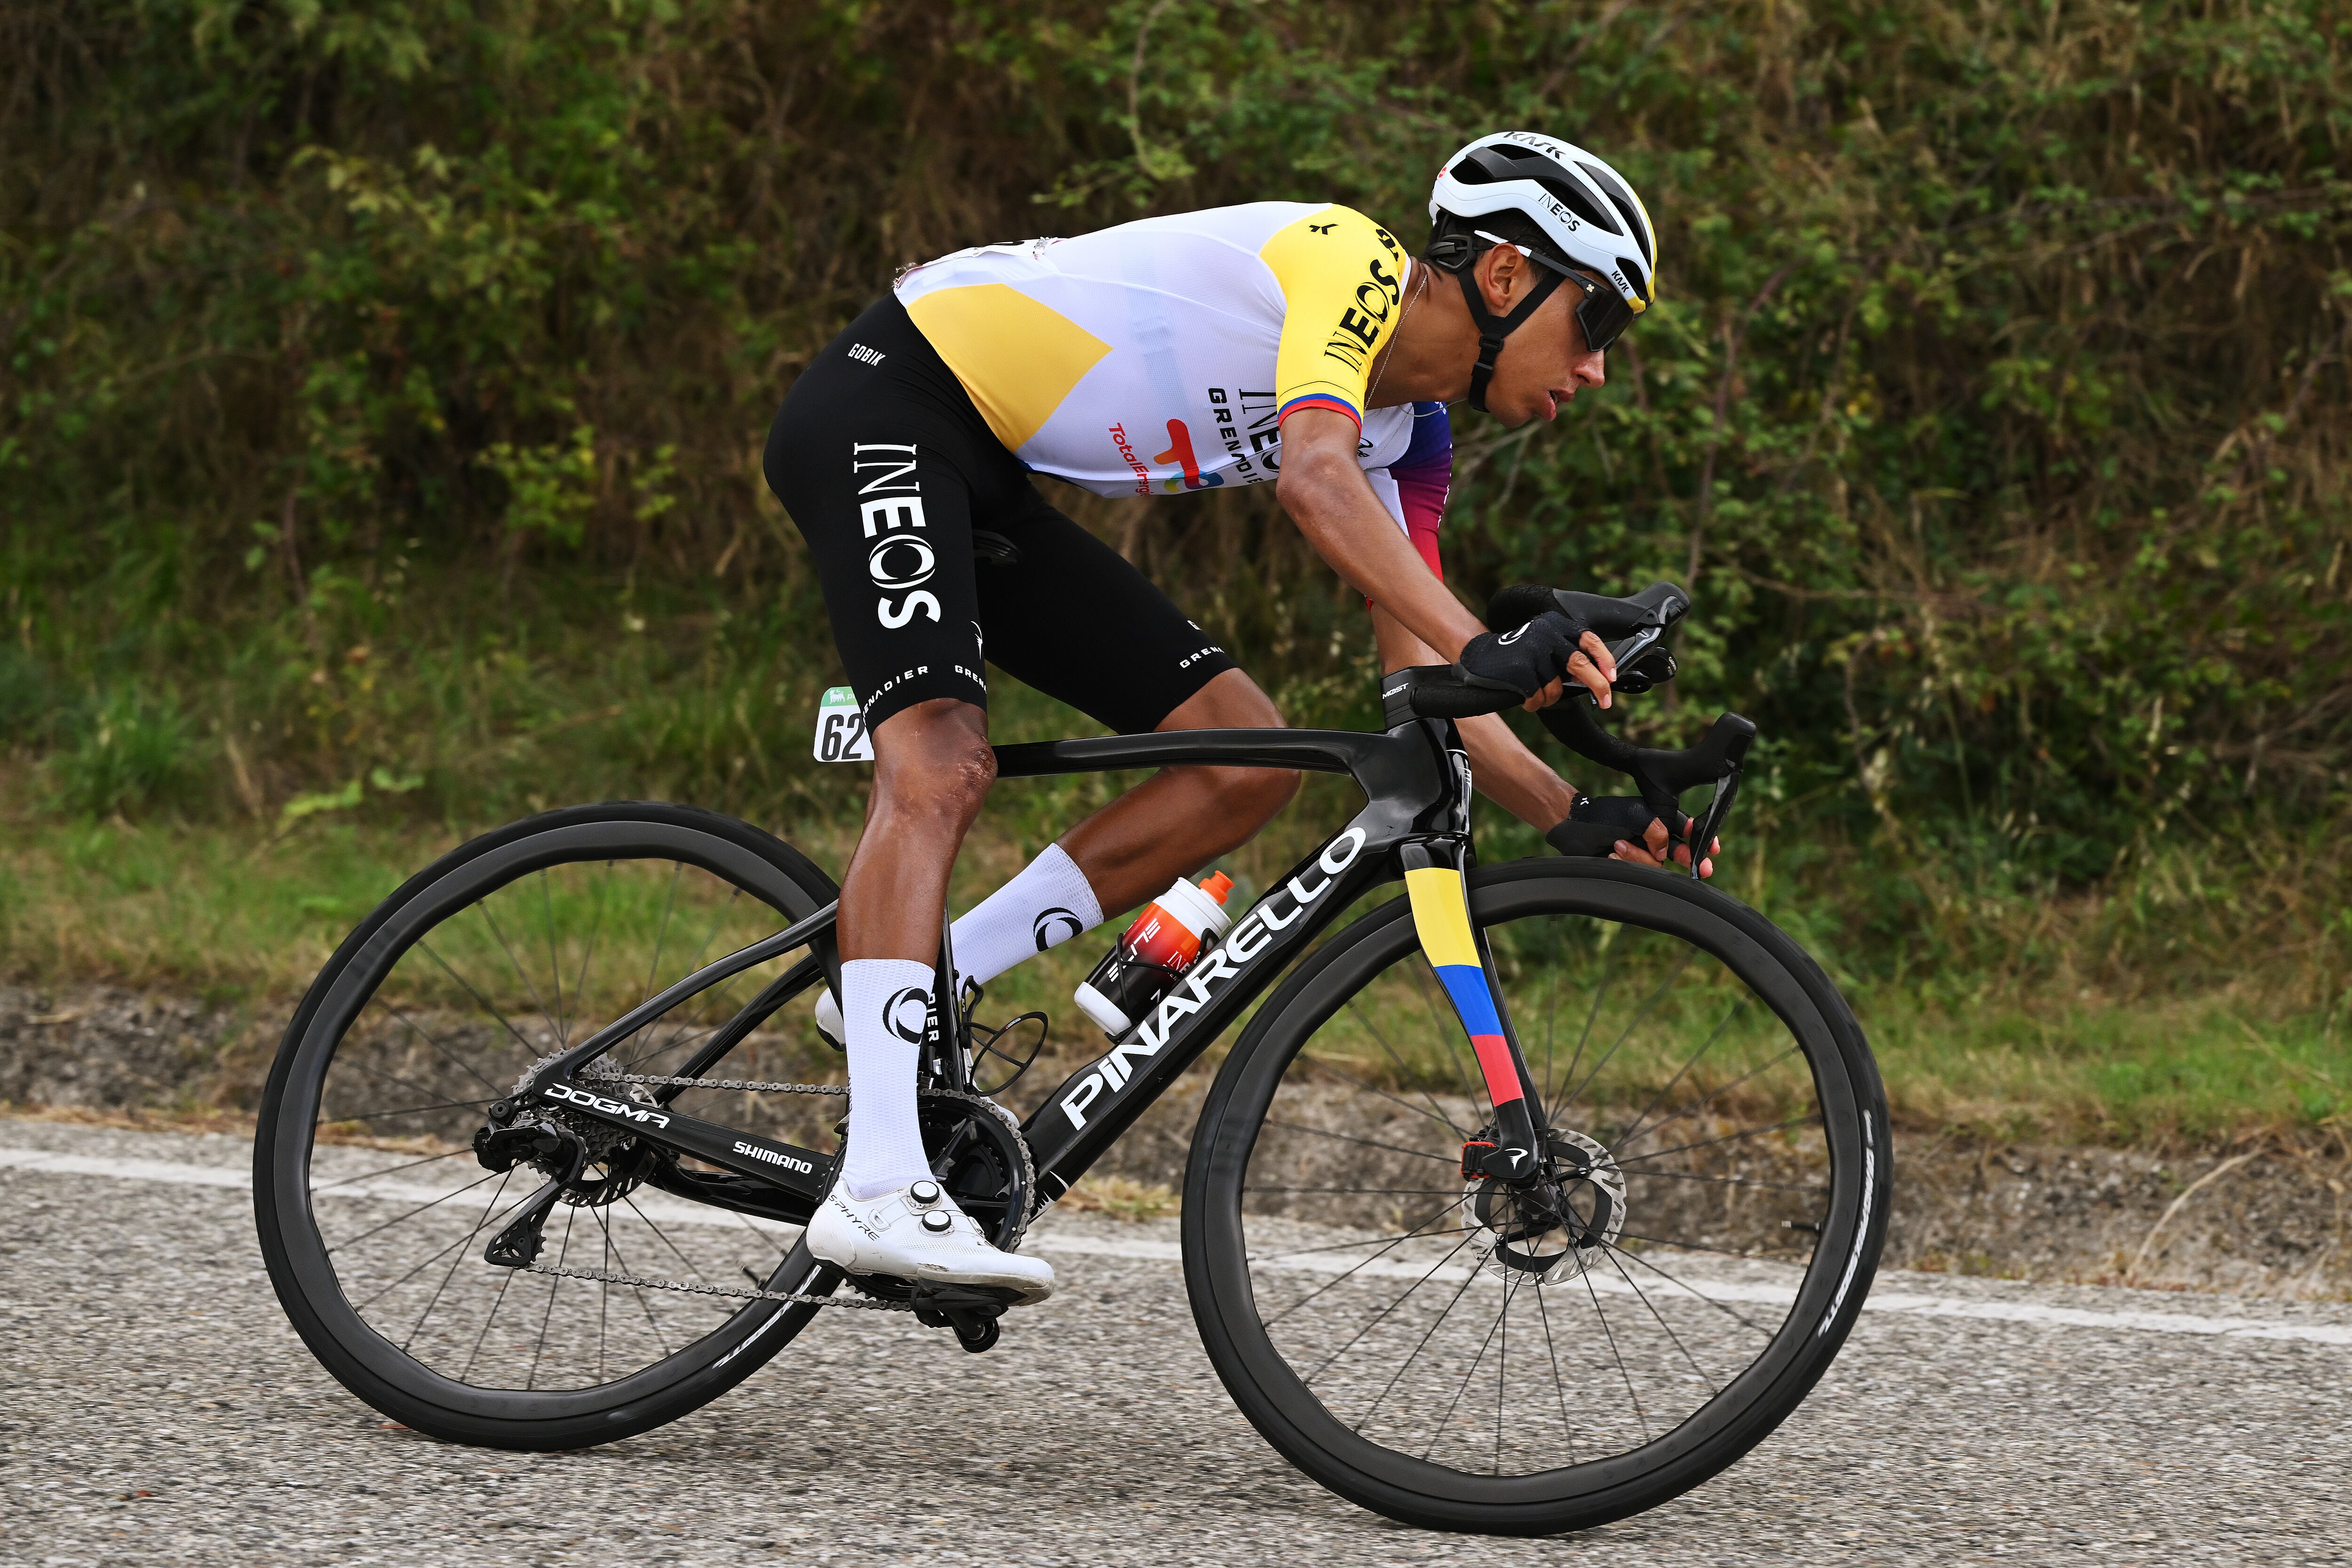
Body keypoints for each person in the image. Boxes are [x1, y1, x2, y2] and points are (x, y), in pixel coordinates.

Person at [762, 130, 1711, 1305]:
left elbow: (1425, 676)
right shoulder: (1349, 263)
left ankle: (925, 970)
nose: (1598, 368)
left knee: (1240, 761)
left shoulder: (1412, 435)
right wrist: (1487, 642)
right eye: (1596, 320)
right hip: (889, 399)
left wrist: (1574, 811)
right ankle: (875, 1182)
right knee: (941, 762)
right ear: (1508, 274)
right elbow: (1314, 478)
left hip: (982, 468)